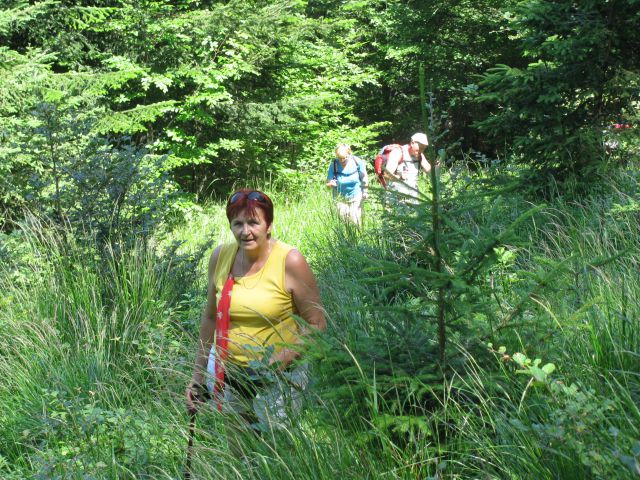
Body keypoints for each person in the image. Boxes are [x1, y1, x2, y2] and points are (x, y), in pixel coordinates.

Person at [186, 189, 326, 433]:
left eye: (253, 222)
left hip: (279, 378)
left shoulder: (290, 261)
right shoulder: (221, 257)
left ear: (269, 225)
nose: (245, 231)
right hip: (230, 374)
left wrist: (277, 364)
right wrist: (197, 378)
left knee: (276, 453)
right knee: (238, 450)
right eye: (237, 224)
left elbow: (317, 324)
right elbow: (210, 318)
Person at [383, 132, 434, 204]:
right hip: (395, 197)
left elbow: (431, 172)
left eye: (424, 148)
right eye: (420, 148)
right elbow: (386, 175)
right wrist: (400, 177)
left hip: (412, 197)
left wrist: (438, 166)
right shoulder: (398, 152)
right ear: (412, 143)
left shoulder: (420, 155)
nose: (421, 151)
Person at [325, 143, 369, 226]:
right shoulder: (334, 165)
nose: (342, 160)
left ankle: (359, 237)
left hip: (356, 195)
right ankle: (347, 238)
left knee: (355, 220)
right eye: (339, 158)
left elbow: (364, 178)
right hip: (340, 198)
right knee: (344, 222)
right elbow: (328, 184)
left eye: (344, 158)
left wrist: (365, 191)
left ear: (349, 154)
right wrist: (331, 184)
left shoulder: (357, 162)